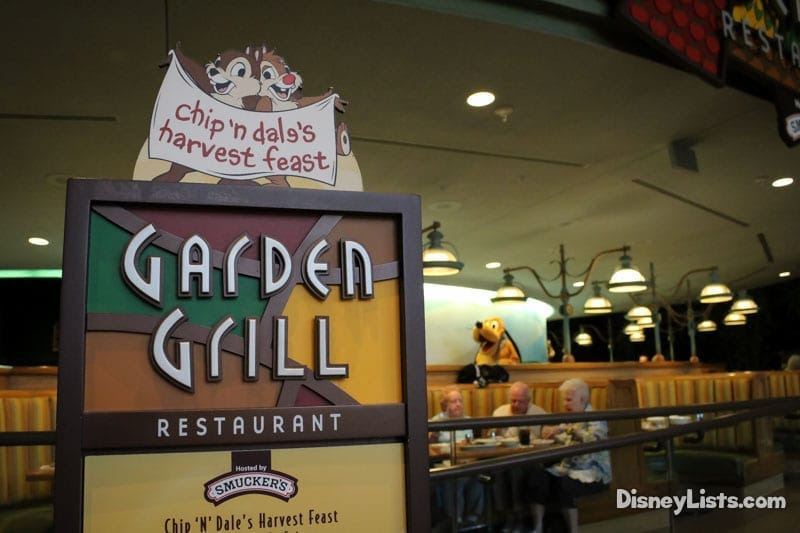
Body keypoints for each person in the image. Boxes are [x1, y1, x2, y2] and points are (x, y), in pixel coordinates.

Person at [530, 378, 611, 533]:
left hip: (592, 473)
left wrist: (566, 430)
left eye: (568, 400)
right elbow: (567, 441)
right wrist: (553, 436)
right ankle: (538, 527)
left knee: (563, 485)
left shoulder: (596, 418)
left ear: (582, 400)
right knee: (537, 477)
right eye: (564, 400)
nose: (564, 404)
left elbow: (594, 439)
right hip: (568, 468)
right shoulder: (572, 418)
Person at [490, 382, 547, 531]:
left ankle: (519, 517)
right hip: (504, 457)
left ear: (528, 401)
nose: (515, 405)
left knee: (517, 472)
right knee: (497, 472)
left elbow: (546, 437)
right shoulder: (500, 412)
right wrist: (497, 429)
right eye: (513, 400)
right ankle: (507, 516)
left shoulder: (539, 413)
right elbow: (490, 437)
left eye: (520, 401)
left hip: (531, 458)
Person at [428, 386, 484, 529]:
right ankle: (455, 519)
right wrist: (431, 438)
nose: (458, 404)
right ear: (444, 405)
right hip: (445, 463)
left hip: (467, 461)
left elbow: (474, 444)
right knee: (455, 478)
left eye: (460, 401)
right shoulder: (435, 422)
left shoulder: (469, 421)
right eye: (454, 402)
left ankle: (472, 518)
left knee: (478, 475)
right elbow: (429, 448)